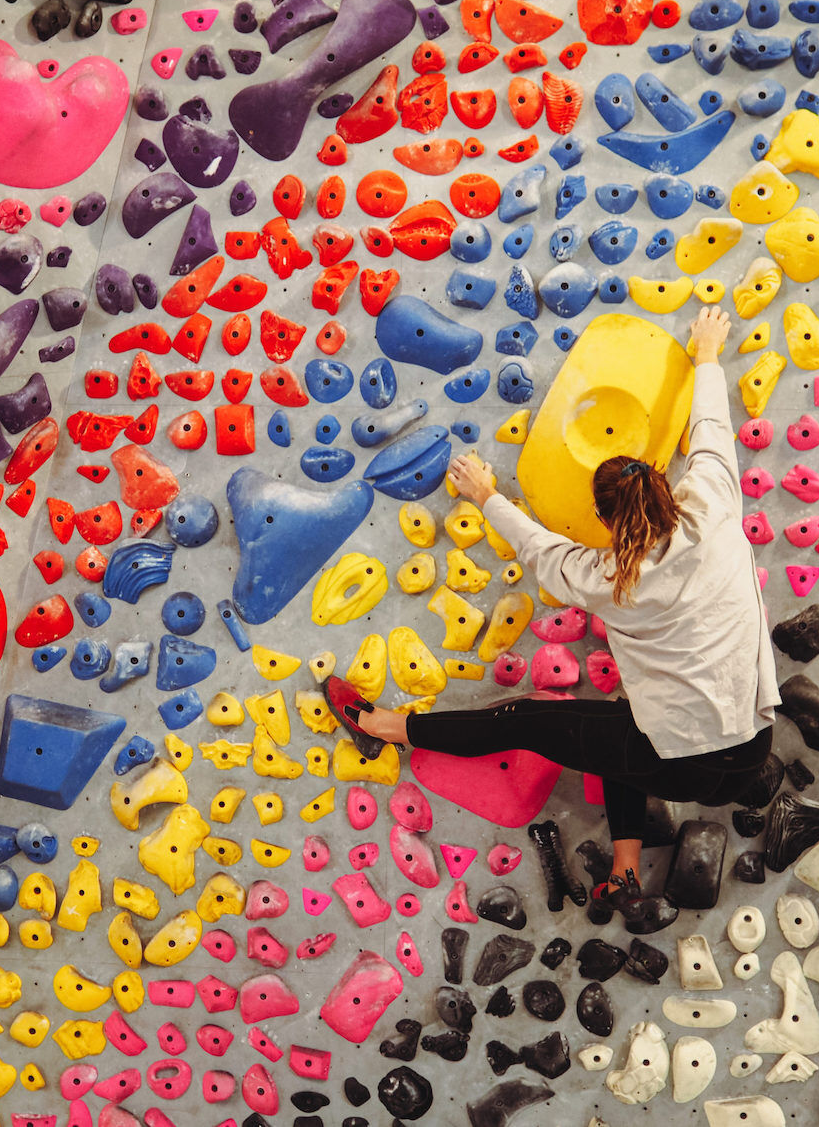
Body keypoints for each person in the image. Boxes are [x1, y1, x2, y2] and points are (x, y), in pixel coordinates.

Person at [325, 305, 780, 933]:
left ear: (603, 520)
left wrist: (485, 494)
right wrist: (706, 355)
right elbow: (710, 430)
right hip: (753, 747)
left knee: (532, 720)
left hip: (684, 757)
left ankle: (382, 727)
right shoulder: (716, 507)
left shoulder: (604, 579)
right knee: (619, 729)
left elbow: (539, 549)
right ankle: (623, 872)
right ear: (664, 488)